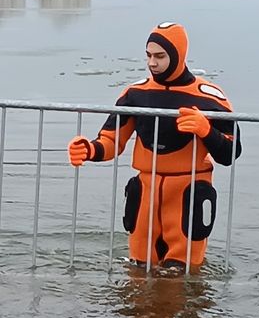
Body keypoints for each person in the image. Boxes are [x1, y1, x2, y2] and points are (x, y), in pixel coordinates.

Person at [67, 22, 241, 272]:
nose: (152, 63)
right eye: (148, 55)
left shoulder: (209, 97)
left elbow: (230, 153)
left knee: (182, 276)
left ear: (178, 55)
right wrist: (88, 149)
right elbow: (111, 141)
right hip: (145, 194)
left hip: (187, 193)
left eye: (160, 56)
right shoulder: (136, 94)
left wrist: (206, 131)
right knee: (138, 270)